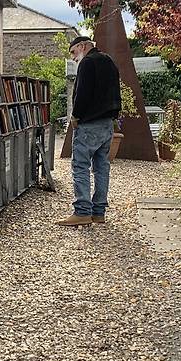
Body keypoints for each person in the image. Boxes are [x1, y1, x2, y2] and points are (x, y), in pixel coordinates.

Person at [56, 36, 121, 227]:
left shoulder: (87, 63)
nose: (74, 58)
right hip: (107, 123)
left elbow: (82, 94)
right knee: (102, 168)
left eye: (74, 53)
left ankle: (82, 211)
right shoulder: (109, 61)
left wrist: (75, 116)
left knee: (80, 166)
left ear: (82, 46)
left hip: (89, 123)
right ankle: (98, 212)